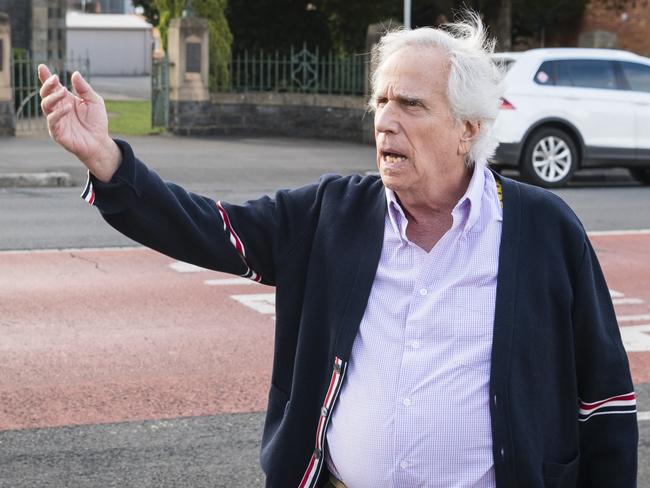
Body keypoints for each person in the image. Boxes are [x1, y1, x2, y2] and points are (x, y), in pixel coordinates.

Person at [38, 13, 637, 488]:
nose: (385, 121)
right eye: (380, 101)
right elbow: (210, 229)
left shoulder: (544, 228)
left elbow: (605, 398)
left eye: (411, 105)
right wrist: (107, 161)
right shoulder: (333, 213)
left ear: (468, 130)